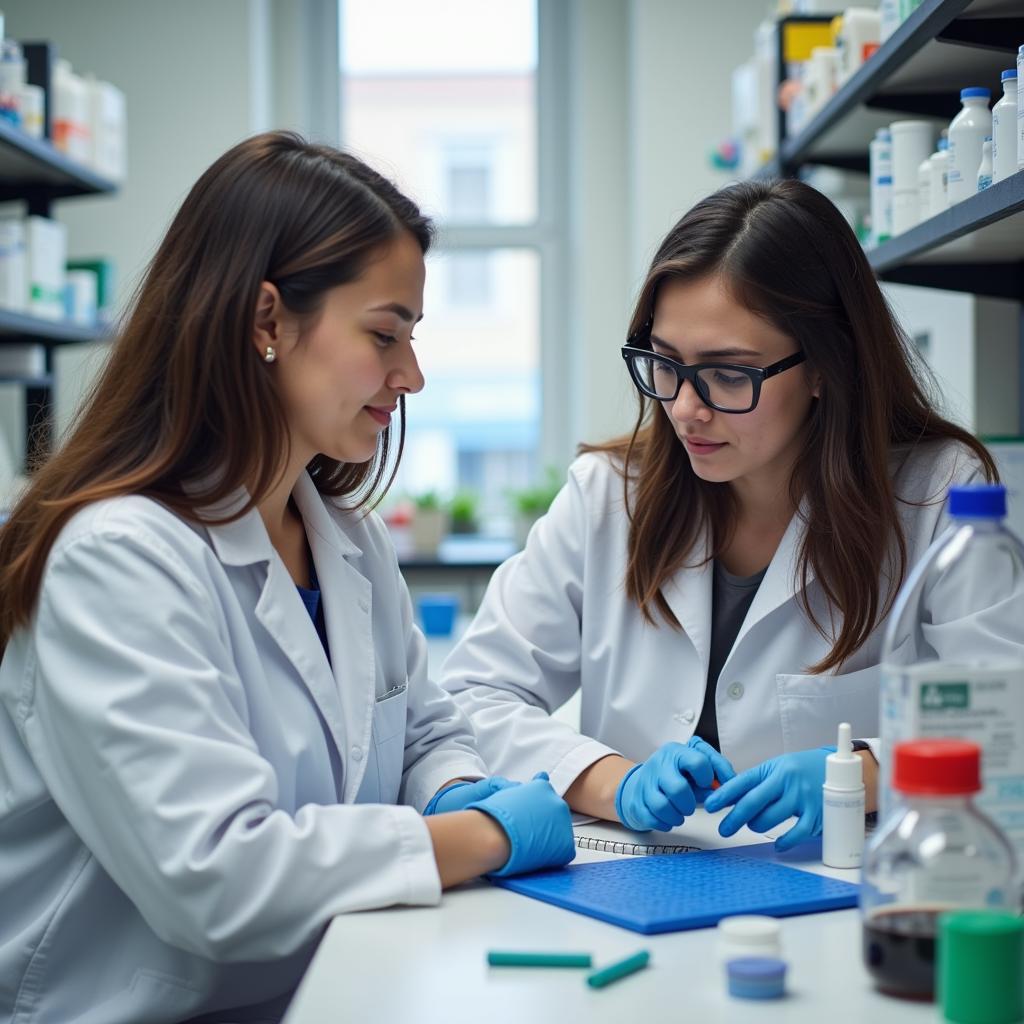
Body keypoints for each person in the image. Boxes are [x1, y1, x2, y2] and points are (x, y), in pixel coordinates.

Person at [0, 132, 574, 1024]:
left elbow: (423, 730)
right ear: (266, 320)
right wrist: (486, 835)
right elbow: (218, 880)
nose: (410, 375)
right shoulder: (115, 560)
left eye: (412, 338)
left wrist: (457, 787)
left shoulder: (341, 535)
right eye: (385, 333)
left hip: (324, 984)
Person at [441, 177, 1020, 851]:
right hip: (633, 887)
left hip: (841, 890)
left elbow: (1003, 722)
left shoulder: (937, 495)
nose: (686, 407)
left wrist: (861, 772)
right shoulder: (607, 496)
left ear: (824, 366)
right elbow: (472, 698)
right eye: (665, 362)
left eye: (727, 372)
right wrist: (613, 780)